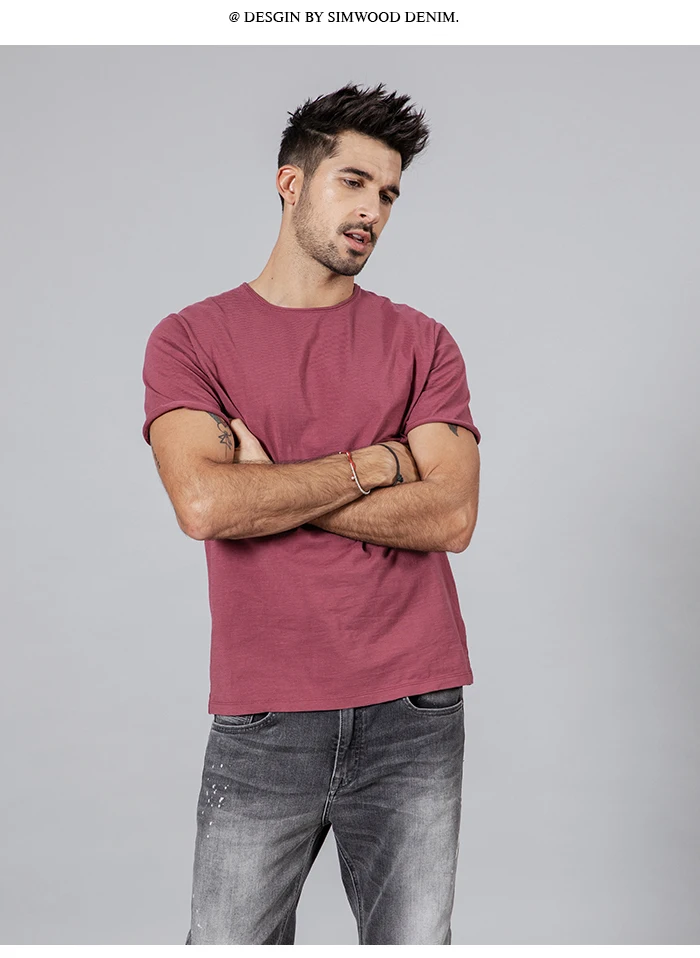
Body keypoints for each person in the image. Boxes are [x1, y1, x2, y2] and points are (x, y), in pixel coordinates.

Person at [141, 81, 481, 945]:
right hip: (265, 712)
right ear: (291, 182)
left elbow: (450, 516)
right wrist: (379, 464)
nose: (373, 210)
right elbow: (206, 502)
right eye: (354, 182)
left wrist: (278, 491)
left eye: (389, 194)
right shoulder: (191, 339)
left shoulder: (422, 341)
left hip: (414, 708)